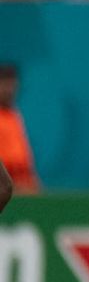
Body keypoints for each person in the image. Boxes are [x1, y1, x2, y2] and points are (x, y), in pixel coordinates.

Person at [0, 64, 38, 195]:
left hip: (24, 188)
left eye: (13, 86)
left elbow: (24, 158)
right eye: (5, 86)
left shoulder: (15, 116)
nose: (10, 91)